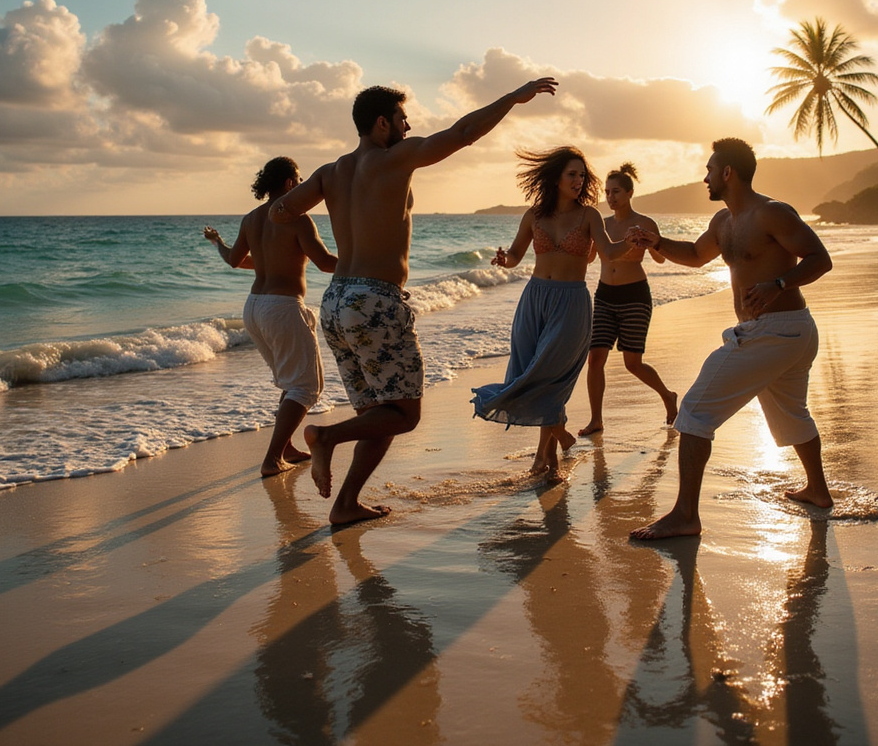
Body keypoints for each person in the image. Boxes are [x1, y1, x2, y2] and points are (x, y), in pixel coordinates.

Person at [271, 77, 558, 525]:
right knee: (405, 415)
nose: (410, 127)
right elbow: (461, 134)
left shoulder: (331, 172)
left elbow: (280, 211)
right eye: (404, 119)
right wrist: (513, 98)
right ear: (382, 123)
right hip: (375, 301)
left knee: (380, 413)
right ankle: (326, 438)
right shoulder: (394, 159)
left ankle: (346, 504)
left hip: (335, 302)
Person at [628, 138, 834, 540]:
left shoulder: (771, 213)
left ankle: (686, 515)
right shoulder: (723, 223)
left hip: (776, 330)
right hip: (786, 333)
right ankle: (818, 491)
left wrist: (778, 283)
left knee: (694, 410)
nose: (704, 177)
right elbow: (693, 254)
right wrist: (655, 242)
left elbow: (819, 259)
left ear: (727, 173)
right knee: (792, 413)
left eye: (709, 170)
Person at [472, 146, 632, 483]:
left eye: (581, 175)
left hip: (571, 302)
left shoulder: (590, 216)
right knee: (528, 372)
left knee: (550, 375)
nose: (578, 180)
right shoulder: (533, 216)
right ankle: (549, 450)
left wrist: (637, 241)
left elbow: (610, 252)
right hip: (534, 299)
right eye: (572, 174)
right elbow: (516, 255)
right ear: (556, 178)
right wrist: (503, 260)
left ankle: (552, 454)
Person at [203, 156, 337, 478]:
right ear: (291, 183)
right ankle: (272, 458)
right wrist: (367, 262)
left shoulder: (251, 219)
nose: (302, 187)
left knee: (292, 382)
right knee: (306, 387)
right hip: (282, 307)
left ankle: (286, 446)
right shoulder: (298, 219)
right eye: (300, 181)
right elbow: (324, 262)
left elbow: (236, 261)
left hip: (254, 309)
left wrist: (217, 242)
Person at [579, 162, 678, 436]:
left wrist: (649, 241)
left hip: (635, 295)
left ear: (630, 193)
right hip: (604, 295)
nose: (610, 197)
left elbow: (659, 258)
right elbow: (588, 258)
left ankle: (668, 396)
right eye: (607, 192)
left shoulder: (645, 223)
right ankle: (596, 420)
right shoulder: (602, 223)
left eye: (616, 192)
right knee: (595, 358)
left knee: (632, 363)